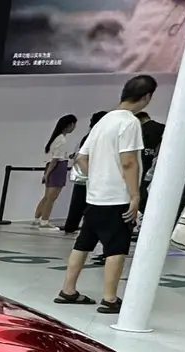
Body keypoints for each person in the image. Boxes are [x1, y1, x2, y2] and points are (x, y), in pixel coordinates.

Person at [55, 74, 158, 314]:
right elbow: (129, 162)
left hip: (95, 196)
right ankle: (110, 299)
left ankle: (68, 290)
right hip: (117, 197)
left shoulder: (104, 121)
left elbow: (81, 158)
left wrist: (98, 176)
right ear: (147, 97)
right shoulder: (129, 123)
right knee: (116, 248)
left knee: (83, 244)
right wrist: (135, 195)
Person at [63, 111, 108, 234]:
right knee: (85, 203)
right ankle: (81, 228)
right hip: (89, 175)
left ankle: (72, 226)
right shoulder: (96, 137)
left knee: (78, 203)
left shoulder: (89, 136)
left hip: (85, 175)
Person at [34, 115, 77, 230]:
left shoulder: (56, 138)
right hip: (57, 168)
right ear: (70, 125)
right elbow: (55, 160)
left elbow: (56, 157)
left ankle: (37, 219)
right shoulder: (61, 140)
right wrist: (47, 174)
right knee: (51, 197)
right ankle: (45, 221)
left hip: (53, 167)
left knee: (47, 196)